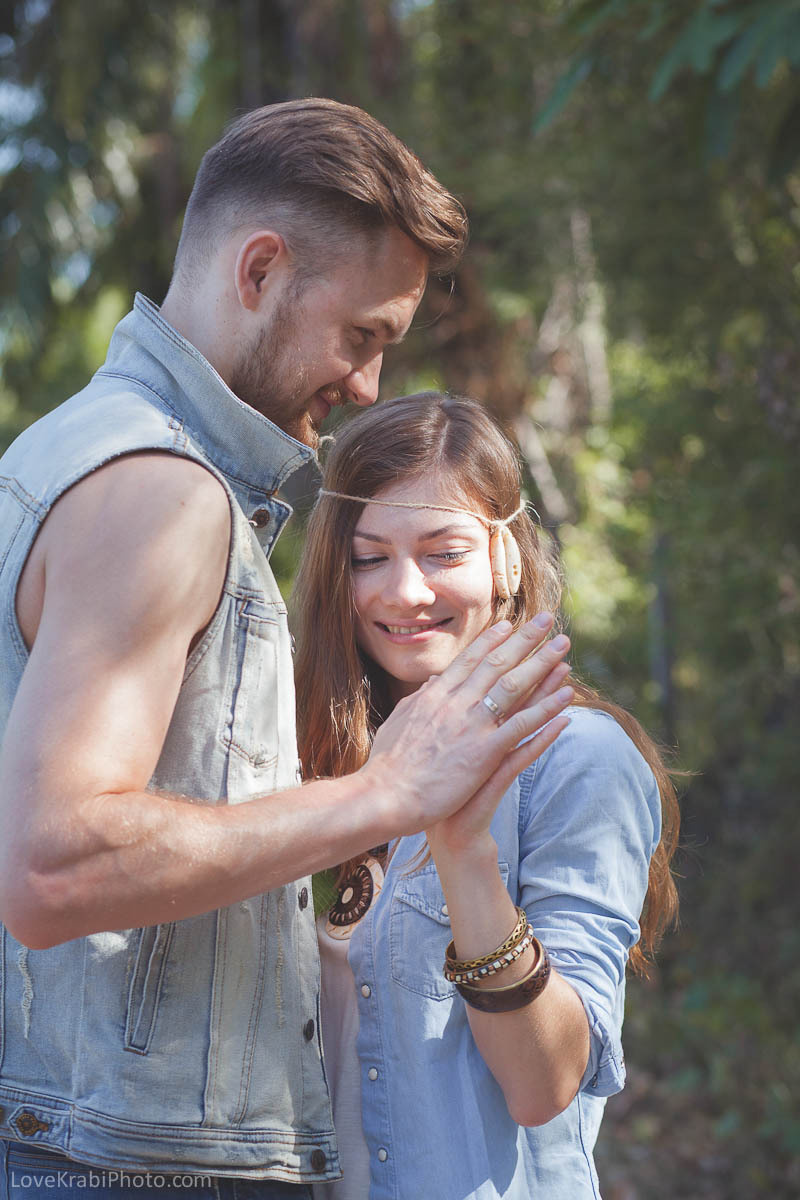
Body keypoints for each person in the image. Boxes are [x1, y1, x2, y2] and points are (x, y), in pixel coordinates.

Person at [0, 100, 574, 1199]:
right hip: (126, 1168)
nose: (365, 384)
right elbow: (51, 863)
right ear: (258, 269)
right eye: (362, 335)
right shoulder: (160, 493)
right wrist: (387, 794)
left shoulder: (63, 447)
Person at [292, 392, 680, 1200]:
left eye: (443, 552)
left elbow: (545, 1086)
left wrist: (464, 851)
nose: (403, 591)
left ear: (506, 557)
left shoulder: (578, 761)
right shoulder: (311, 756)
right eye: (370, 558)